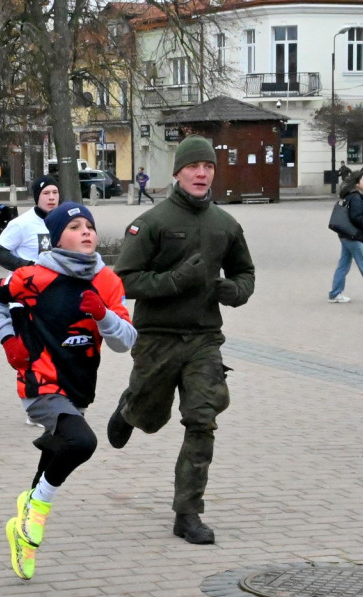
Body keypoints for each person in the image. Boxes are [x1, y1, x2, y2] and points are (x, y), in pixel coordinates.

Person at [106, 135, 255, 545]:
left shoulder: (226, 225)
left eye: (208, 166)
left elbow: (246, 274)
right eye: (193, 166)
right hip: (157, 338)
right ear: (178, 172)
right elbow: (123, 280)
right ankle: (131, 407)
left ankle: (188, 512)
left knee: (202, 419)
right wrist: (174, 280)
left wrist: (235, 291)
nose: (202, 173)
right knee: (152, 418)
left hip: (204, 339)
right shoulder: (152, 222)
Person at [0, 202, 136, 580]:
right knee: (81, 442)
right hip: (40, 380)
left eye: (90, 225)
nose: (86, 232)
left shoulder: (108, 281)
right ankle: (35, 514)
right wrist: (8, 340)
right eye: (75, 227)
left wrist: (104, 316)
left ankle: (22, 528)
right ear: (57, 237)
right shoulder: (35, 276)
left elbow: (126, 341)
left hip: (79, 384)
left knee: (58, 447)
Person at [0, 176, 60, 271]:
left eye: (55, 192)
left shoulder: (65, 221)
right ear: (37, 197)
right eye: (46, 193)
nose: (51, 197)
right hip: (27, 282)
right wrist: (28, 267)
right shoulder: (21, 223)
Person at [328, 171, 363, 303]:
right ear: (357, 183)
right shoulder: (356, 197)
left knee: (343, 264)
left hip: (345, 234)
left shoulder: (350, 195)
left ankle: (335, 293)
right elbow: (355, 216)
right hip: (354, 235)